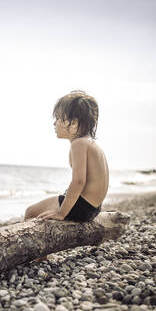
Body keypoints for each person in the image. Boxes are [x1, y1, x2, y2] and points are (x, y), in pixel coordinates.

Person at [24, 90, 109, 261]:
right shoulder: (92, 144)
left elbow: (78, 181)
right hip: (94, 207)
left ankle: (39, 257)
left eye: (59, 118)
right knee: (45, 208)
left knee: (31, 211)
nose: (54, 123)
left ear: (74, 124)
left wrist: (62, 213)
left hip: (81, 207)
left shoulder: (78, 144)